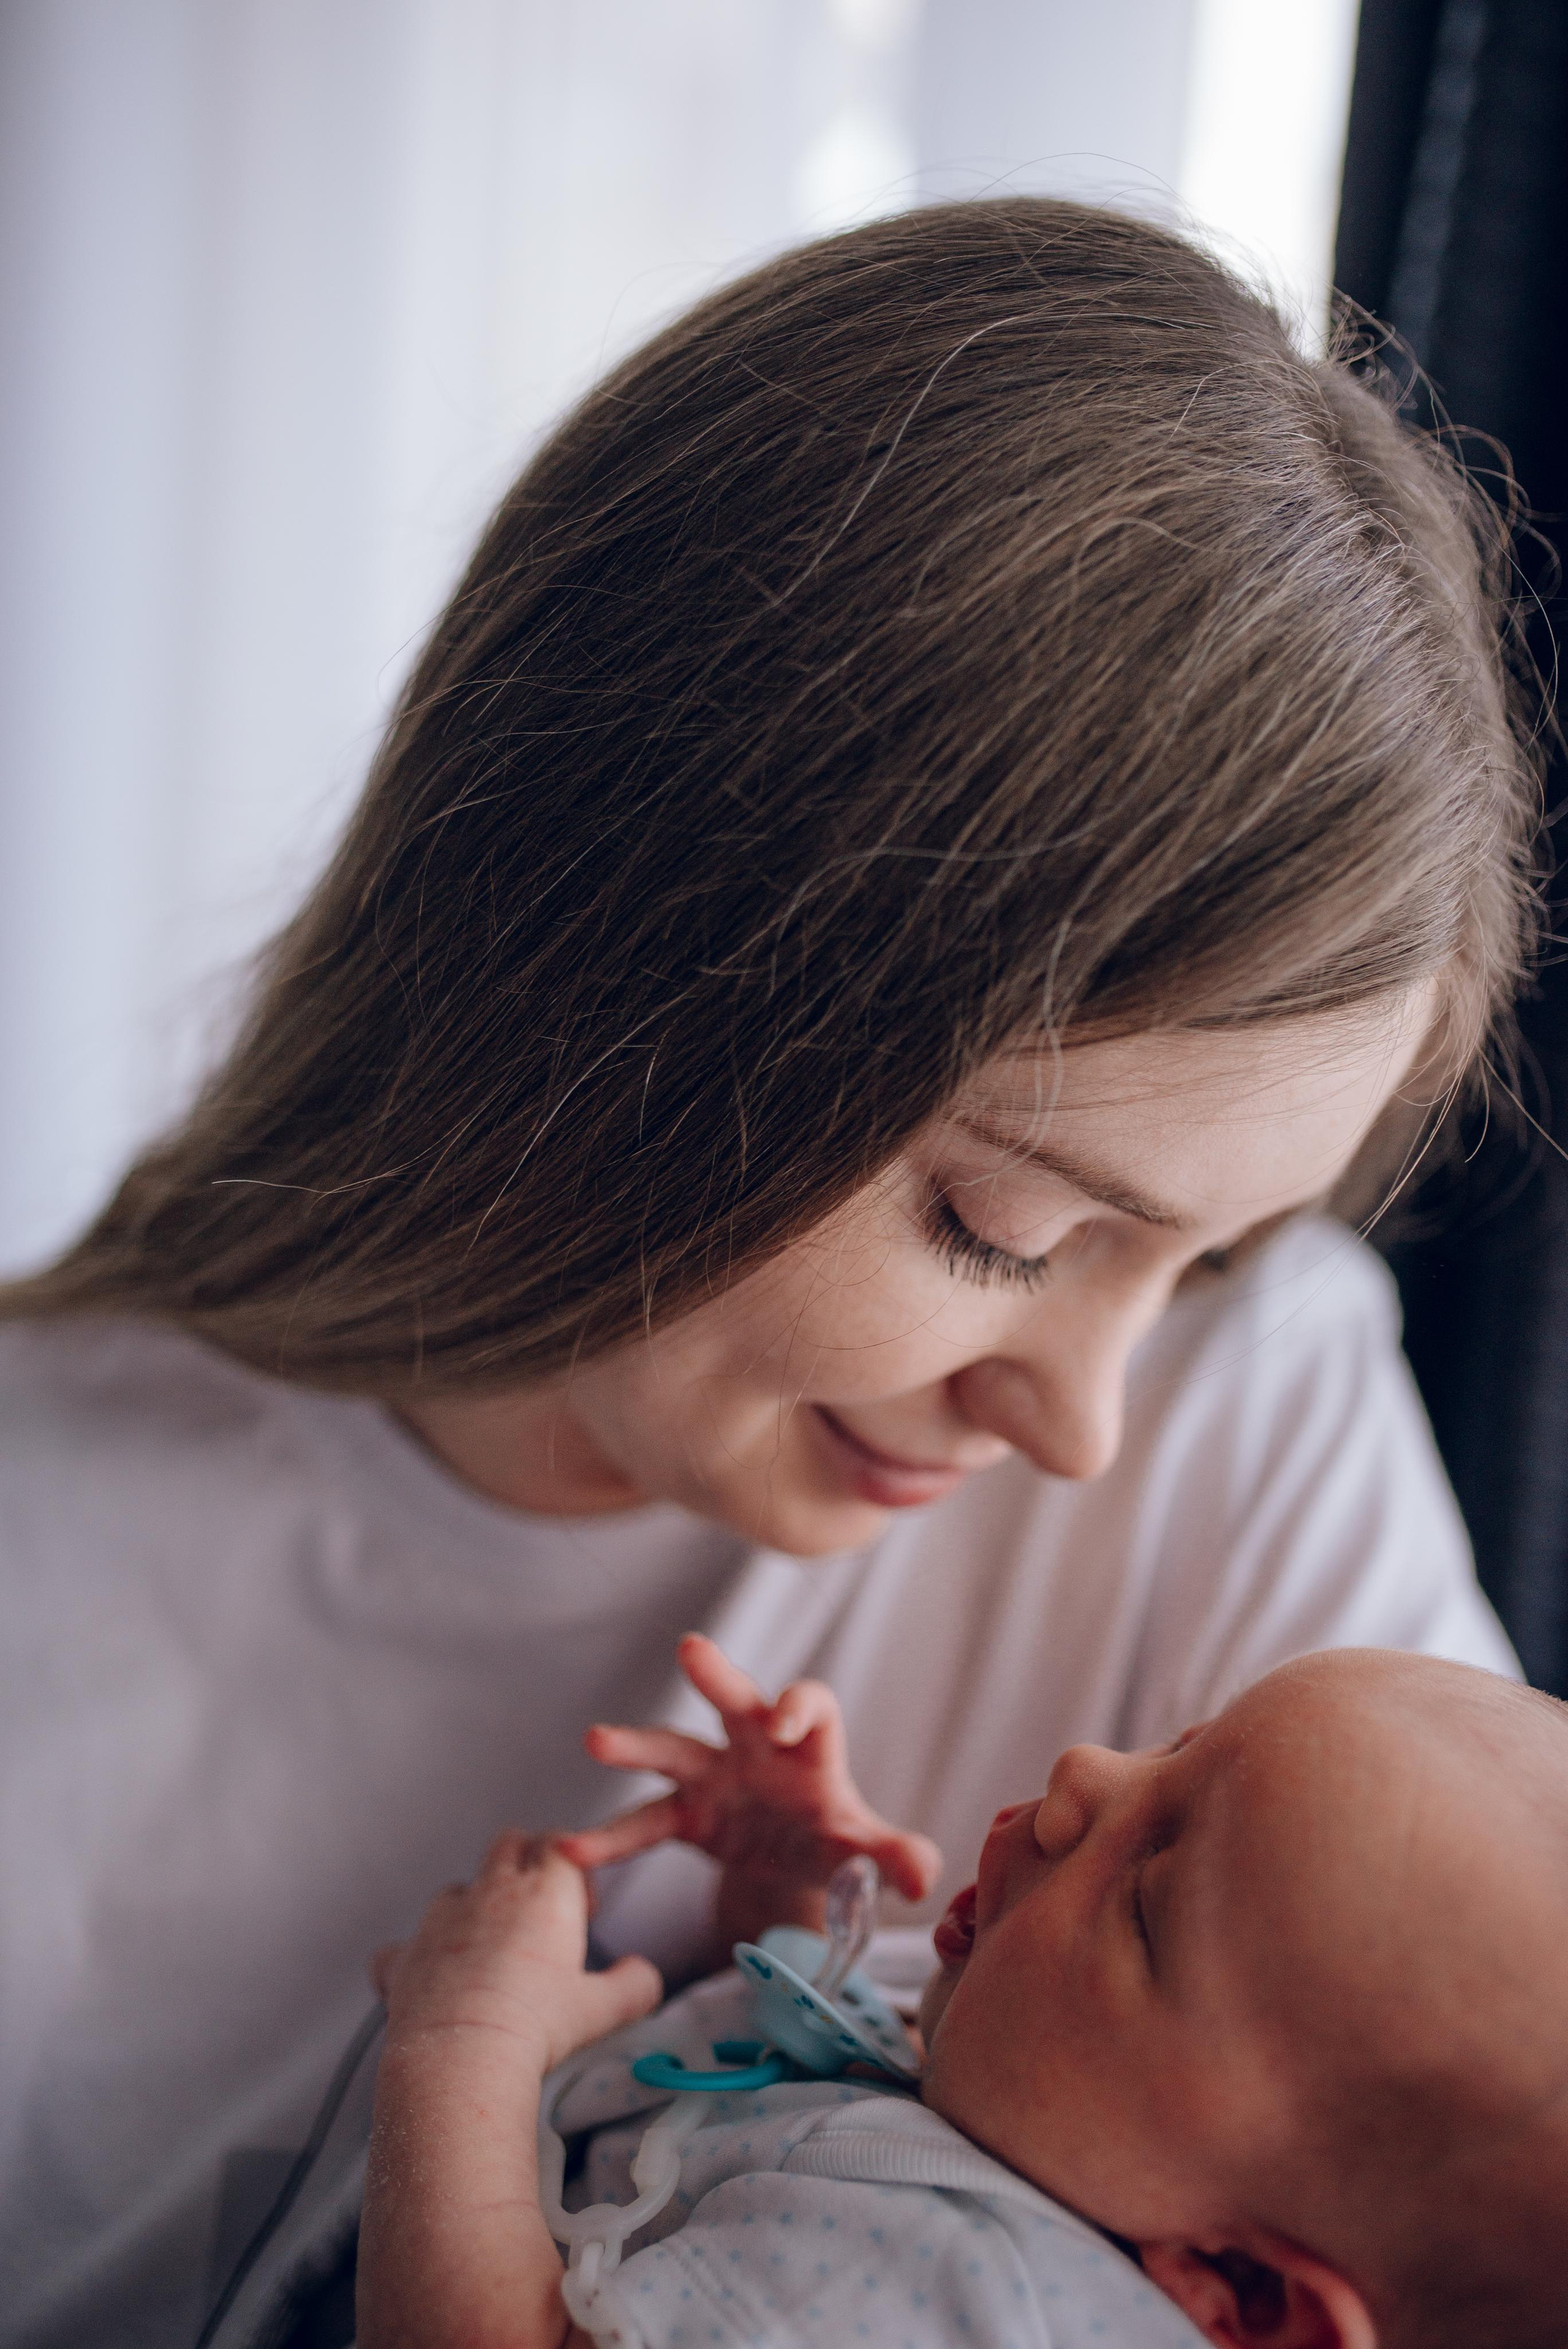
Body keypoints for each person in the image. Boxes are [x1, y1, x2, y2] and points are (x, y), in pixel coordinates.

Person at [0, 195, 1540, 2349]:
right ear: (614, 957)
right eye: (999, 1228)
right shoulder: (46, 1557)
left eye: (1205, 1252)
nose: (1084, 1422)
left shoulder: (1249, 1411)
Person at [360, 1637, 1568, 2349]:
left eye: (1145, 1906)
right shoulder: (1027, 2087)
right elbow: (794, 2062)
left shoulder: (967, 2306)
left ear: (1242, 2296)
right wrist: (779, 1900)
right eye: (1178, 1746)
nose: (1078, 1776)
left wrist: (461, 2043)